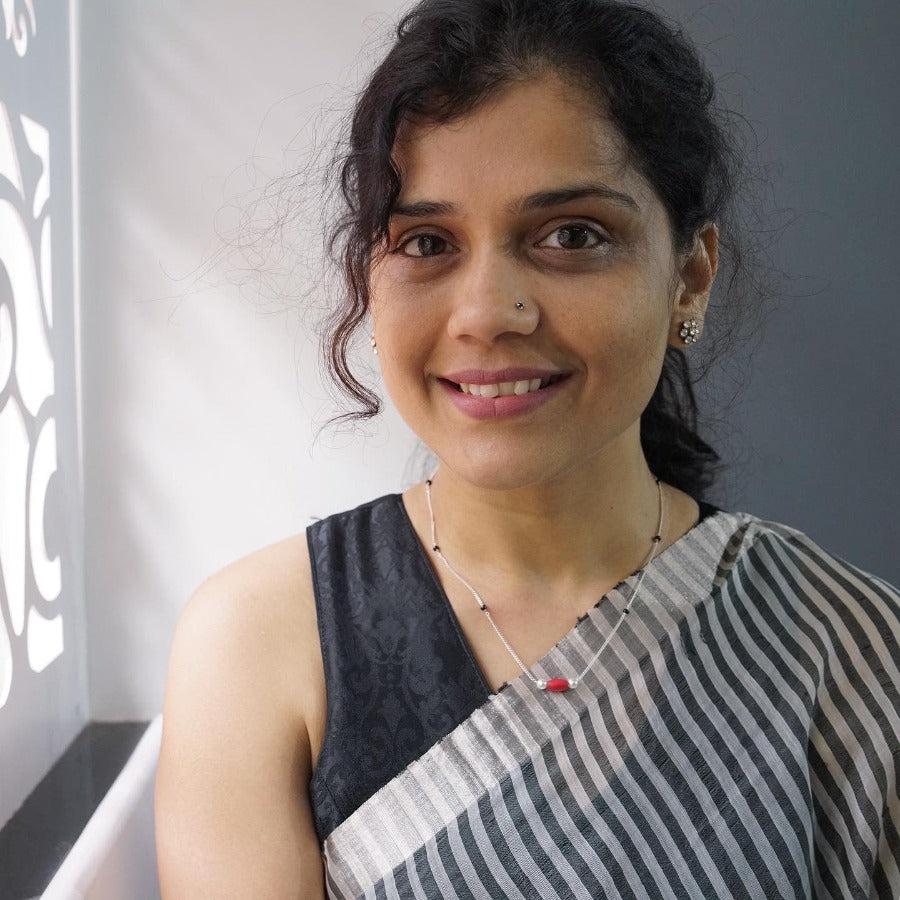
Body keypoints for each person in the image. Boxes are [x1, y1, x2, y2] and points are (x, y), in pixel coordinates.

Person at [154, 0, 900, 897]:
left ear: (690, 278)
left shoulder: (842, 643)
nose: (486, 313)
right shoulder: (261, 643)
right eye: (427, 243)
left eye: (572, 236)